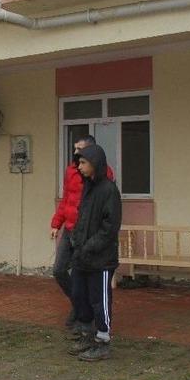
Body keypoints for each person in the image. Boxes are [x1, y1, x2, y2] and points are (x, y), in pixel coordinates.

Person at [51, 135, 114, 329]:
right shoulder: (71, 170)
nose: (76, 153)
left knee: (86, 277)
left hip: (86, 233)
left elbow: (102, 207)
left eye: (80, 150)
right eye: (75, 148)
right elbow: (66, 199)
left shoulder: (103, 176)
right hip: (70, 229)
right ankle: (79, 305)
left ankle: (89, 318)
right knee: (59, 270)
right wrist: (56, 222)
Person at [67, 144, 121, 362]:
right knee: (80, 295)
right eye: (78, 163)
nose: (79, 167)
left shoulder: (109, 190)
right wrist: (76, 242)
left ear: (95, 164)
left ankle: (103, 340)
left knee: (100, 300)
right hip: (82, 257)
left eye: (83, 163)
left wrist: (90, 245)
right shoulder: (87, 188)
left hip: (100, 259)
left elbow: (110, 227)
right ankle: (87, 335)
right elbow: (81, 219)